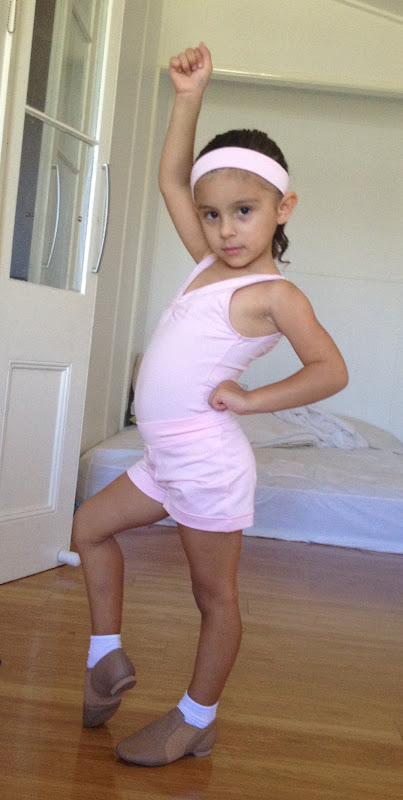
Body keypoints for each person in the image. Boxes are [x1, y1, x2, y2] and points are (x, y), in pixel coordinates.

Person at [73, 43, 348, 767]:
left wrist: (252, 399)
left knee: (213, 597)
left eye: (244, 212)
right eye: (213, 214)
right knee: (89, 527)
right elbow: (172, 178)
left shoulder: (274, 294)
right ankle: (104, 656)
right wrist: (188, 97)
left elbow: (330, 371)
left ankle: (196, 719)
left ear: (282, 208)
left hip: (205, 464)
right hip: (164, 459)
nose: (226, 229)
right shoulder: (207, 263)